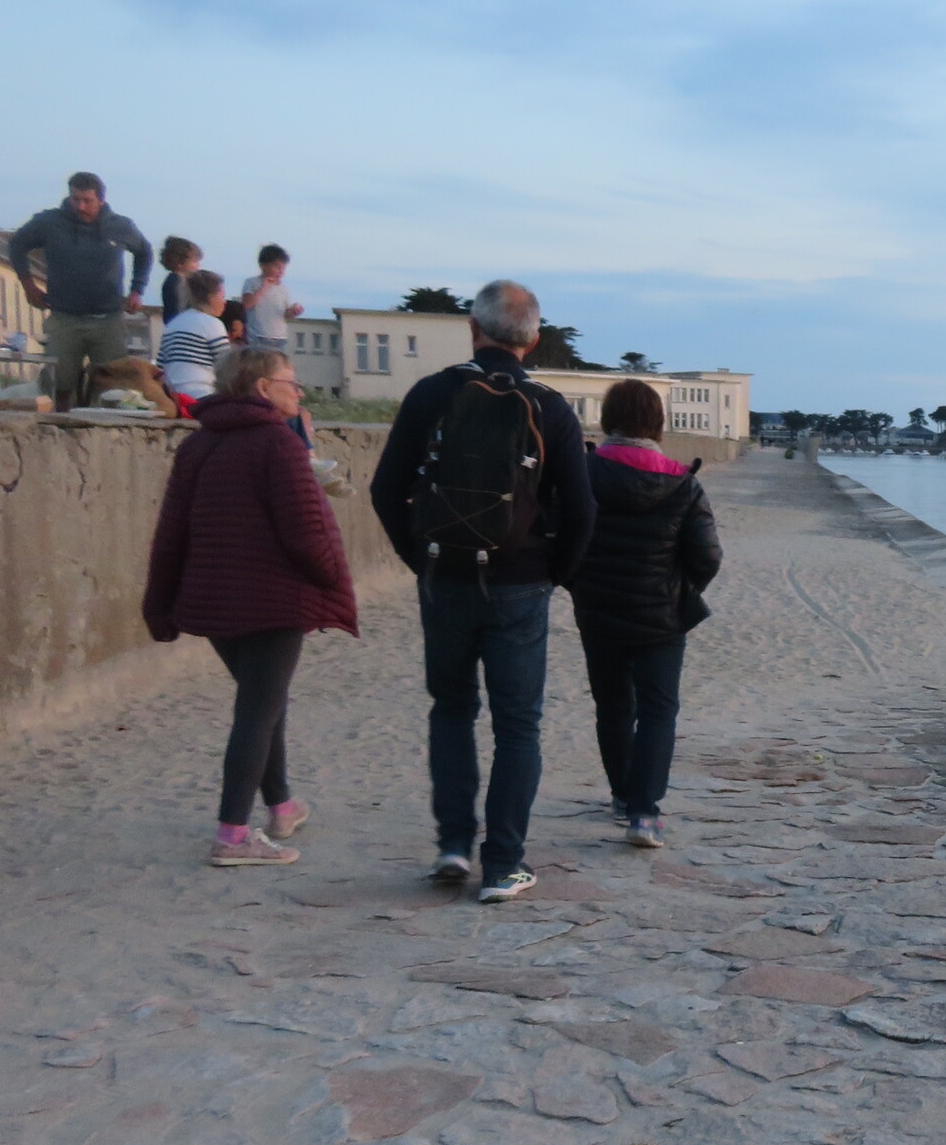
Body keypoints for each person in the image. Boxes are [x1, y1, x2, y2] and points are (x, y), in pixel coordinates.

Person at [369, 279, 594, 902]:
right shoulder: (549, 407)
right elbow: (582, 511)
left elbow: (385, 491)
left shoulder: (432, 393)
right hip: (521, 583)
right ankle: (502, 865)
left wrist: (419, 560)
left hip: (445, 578)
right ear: (534, 341)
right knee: (518, 726)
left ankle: (452, 844)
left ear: (473, 329)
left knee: (451, 709)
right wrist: (556, 574)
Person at [143, 346, 358, 867]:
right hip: (273, 600)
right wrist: (330, 577)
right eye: (291, 381)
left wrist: (159, 601)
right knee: (257, 711)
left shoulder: (197, 445)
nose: (298, 391)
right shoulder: (277, 444)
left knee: (264, 700)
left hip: (213, 601)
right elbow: (306, 531)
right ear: (263, 387)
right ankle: (233, 834)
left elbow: (171, 533)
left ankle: (281, 806)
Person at [567, 378, 720, 849]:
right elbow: (707, 556)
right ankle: (644, 813)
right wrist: (680, 590)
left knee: (613, 705)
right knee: (658, 709)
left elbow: (560, 538)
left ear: (607, 419)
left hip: (598, 610)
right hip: (661, 616)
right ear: (658, 423)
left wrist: (580, 584)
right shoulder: (682, 483)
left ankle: (621, 795)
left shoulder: (582, 473)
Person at [4, 172, 153, 412]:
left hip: (108, 319)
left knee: (113, 385)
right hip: (64, 318)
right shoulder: (49, 222)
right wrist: (28, 285)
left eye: (87, 200)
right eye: (75, 199)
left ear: (101, 200)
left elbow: (144, 252)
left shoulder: (120, 226)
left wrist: (137, 289)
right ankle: (59, 426)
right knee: (58, 383)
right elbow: (16, 244)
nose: (80, 206)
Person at [157, 269, 231, 409]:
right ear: (211, 297)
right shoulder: (212, 324)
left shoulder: (173, 324)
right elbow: (227, 368)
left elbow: (159, 368)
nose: (224, 301)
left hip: (172, 397)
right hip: (202, 396)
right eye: (222, 296)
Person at [241, 244, 303, 353]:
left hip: (280, 338)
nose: (281, 271)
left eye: (283, 268)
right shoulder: (252, 282)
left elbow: (285, 315)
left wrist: (294, 311)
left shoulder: (283, 289)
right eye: (277, 267)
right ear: (263, 265)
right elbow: (246, 304)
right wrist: (264, 287)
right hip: (258, 336)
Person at [158, 236, 203, 319]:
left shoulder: (179, 280)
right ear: (180, 262)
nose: (198, 265)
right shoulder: (177, 282)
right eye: (194, 261)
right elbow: (178, 308)